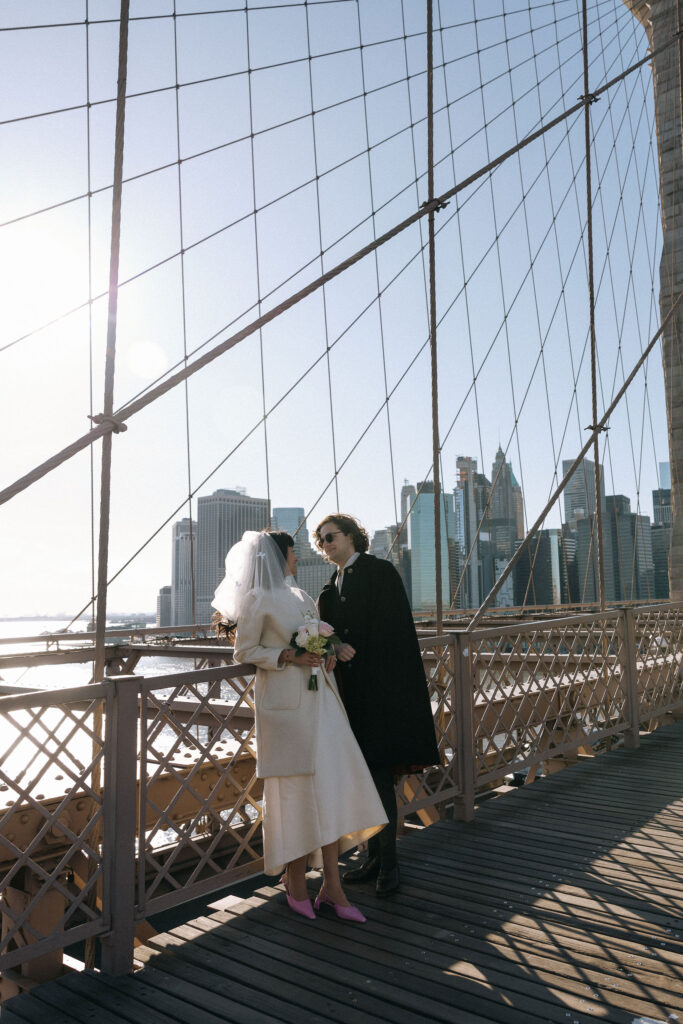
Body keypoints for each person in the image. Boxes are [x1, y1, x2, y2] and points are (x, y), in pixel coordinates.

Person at [212, 529, 387, 923]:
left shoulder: (301, 596)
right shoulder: (259, 599)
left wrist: (326, 652)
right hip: (287, 712)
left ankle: (329, 886)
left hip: (321, 704)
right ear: (277, 557)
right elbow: (245, 650)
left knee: (330, 788)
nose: (298, 558)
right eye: (293, 553)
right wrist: (291, 655)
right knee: (294, 798)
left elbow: (317, 636)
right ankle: (298, 882)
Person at [315, 513, 440, 895]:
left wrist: (358, 653)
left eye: (331, 536)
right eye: (320, 541)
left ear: (352, 537)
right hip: (350, 697)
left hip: (381, 694)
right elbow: (331, 634)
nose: (325, 544)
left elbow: (393, 631)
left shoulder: (379, 572)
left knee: (380, 777)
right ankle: (373, 859)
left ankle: (389, 863)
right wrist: (333, 644)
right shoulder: (330, 586)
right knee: (364, 776)